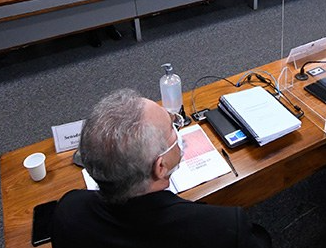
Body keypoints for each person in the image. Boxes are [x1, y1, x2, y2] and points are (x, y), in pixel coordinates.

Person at [51, 89, 271, 248]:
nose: (177, 131)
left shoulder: (69, 211)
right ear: (160, 167)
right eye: (172, 128)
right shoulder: (223, 227)